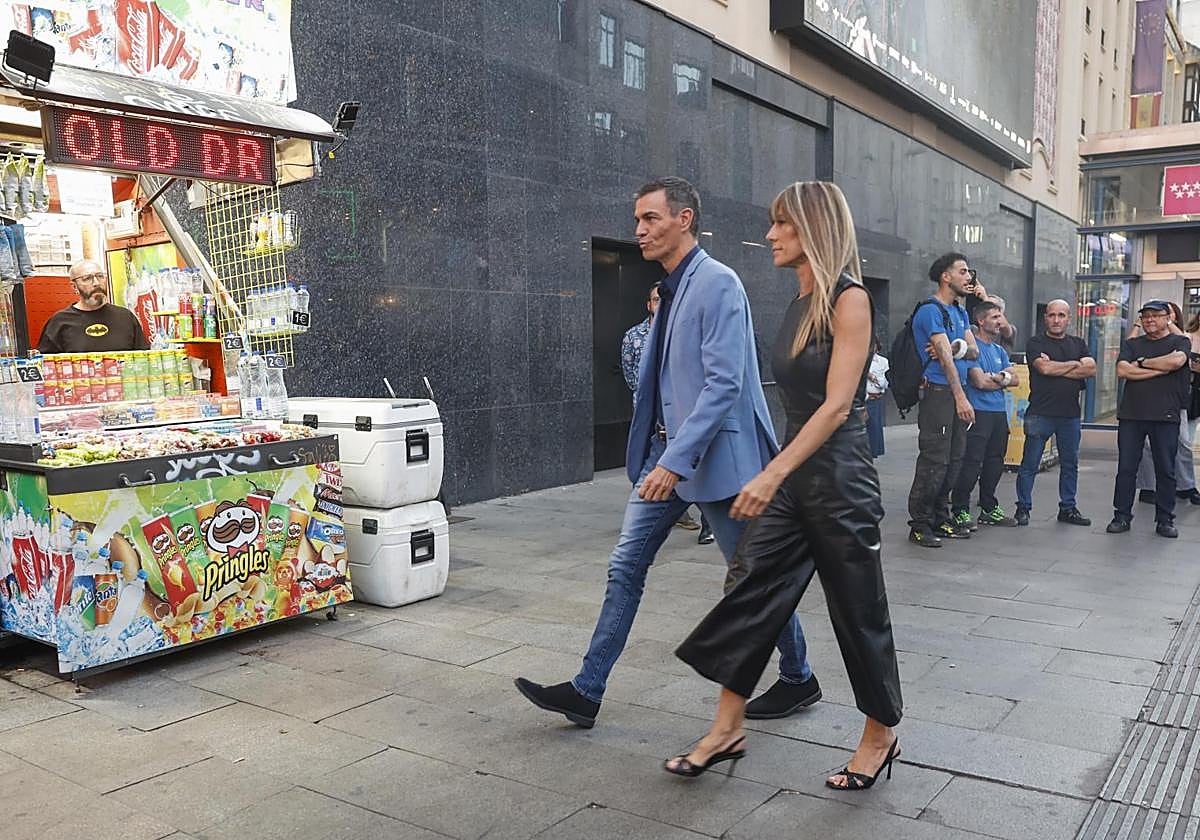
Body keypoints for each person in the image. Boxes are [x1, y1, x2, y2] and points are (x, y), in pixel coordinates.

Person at [514, 177, 818, 728]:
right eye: (637, 219)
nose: (639, 230)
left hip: (716, 462)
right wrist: (662, 457)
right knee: (625, 565)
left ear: (684, 220)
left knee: (753, 579)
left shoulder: (718, 282)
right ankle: (587, 689)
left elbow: (723, 385)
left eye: (650, 218)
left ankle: (798, 676)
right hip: (666, 458)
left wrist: (675, 460)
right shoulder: (672, 287)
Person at [664, 181, 901, 791]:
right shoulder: (800, 302)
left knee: (858, 610)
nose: (769, 235)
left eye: (782, 225)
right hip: (796, 478)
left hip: (841, 481)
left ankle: (879, 735)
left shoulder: (850, 299)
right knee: (749, 586)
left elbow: (836, 406)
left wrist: (769, 471)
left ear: (814, 229)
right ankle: (726, 728)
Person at [621, 284, 714, 543]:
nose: (660, 305)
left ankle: (709, 523)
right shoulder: (633, 337)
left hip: (685, 417)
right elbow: (632, 376)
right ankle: (668, 513)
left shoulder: (683, 333)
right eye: (655, 300)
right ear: (648, 305)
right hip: (651, 419)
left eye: (664, 300)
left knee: (695, 470)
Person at [906, 253, 981, 548]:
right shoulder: (930, 311)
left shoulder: (960, 312)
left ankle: (940, 515)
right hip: (939, 393)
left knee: (954, 459)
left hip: (955, 391)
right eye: (963, 271)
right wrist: (961, 397)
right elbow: (944, 361)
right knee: (934, 460)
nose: (969, 277)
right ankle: (920, 523)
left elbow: (971, 351)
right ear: (945, 276)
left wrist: (955, 347)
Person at [1107, 300, 1193, 539]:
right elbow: (1123, 371)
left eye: (1156, 316)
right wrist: (1160, 369)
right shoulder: (1132, 344)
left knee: (1166, 469)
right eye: (1145, 317)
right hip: (1132, 416)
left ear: (1168, 318)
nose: (1150, 320)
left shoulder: (1180, 342)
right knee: (1126, 468)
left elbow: (1177, 362)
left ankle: (1165, 520)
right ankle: (1121, 516)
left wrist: (1143, 364)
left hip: (1166, 416)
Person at [1013, 300, 1095, 527]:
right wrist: (1074, 365)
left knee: (1070, 464)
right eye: (1051, 315)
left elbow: (1091, 369)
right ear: (1045, 318)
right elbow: (1044, 368)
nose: (1056, 320)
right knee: (1030, 464)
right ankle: (1023, 507)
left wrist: (1057, 367)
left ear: (1069, 318)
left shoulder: (1078, 342)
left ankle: (1068, 508)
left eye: (1061, 315)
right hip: (1040, 414)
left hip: (1069, 416)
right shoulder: (1035, 342)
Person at [951, 300, 1020, 528]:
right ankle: (960, 508)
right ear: (981, 321)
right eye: (995, 317)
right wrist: (1003, 379)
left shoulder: (1000, 350)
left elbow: (1016, 378)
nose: (1000, 322)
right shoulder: (974, 350)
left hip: (999, 413)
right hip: (978, 412)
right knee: (972, 462)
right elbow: (979, 382)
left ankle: (989, 507)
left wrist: (999, 377)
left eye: (1001, 317)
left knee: (995, 462)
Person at [1132, 302, 1200, 507]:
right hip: (1147, 397)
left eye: (1163, 315)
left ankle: (1185, 485)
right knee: (1147, 445)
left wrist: (1145, 363)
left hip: (1180, 397)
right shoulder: (1151, 339)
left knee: (1182, 443)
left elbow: (1180, 358)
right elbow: (1128, 357)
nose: (1154, 319)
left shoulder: (1180, 338)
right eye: (1149, 315)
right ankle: (1148, 487)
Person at [37, 259, 151, 353]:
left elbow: (143, 359)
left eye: (100, 276)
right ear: (74, 286)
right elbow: (46, 367)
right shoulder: (59, 322)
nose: (96, 283)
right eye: (87, 278)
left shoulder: (125, 317)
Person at [865, 336, 888, 458]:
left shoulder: (883, 362)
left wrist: (873, 377)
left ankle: (873, 453)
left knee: (874, 427)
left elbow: (885, 383)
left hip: (876, 398)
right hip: (864, 399)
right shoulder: (860, 360)